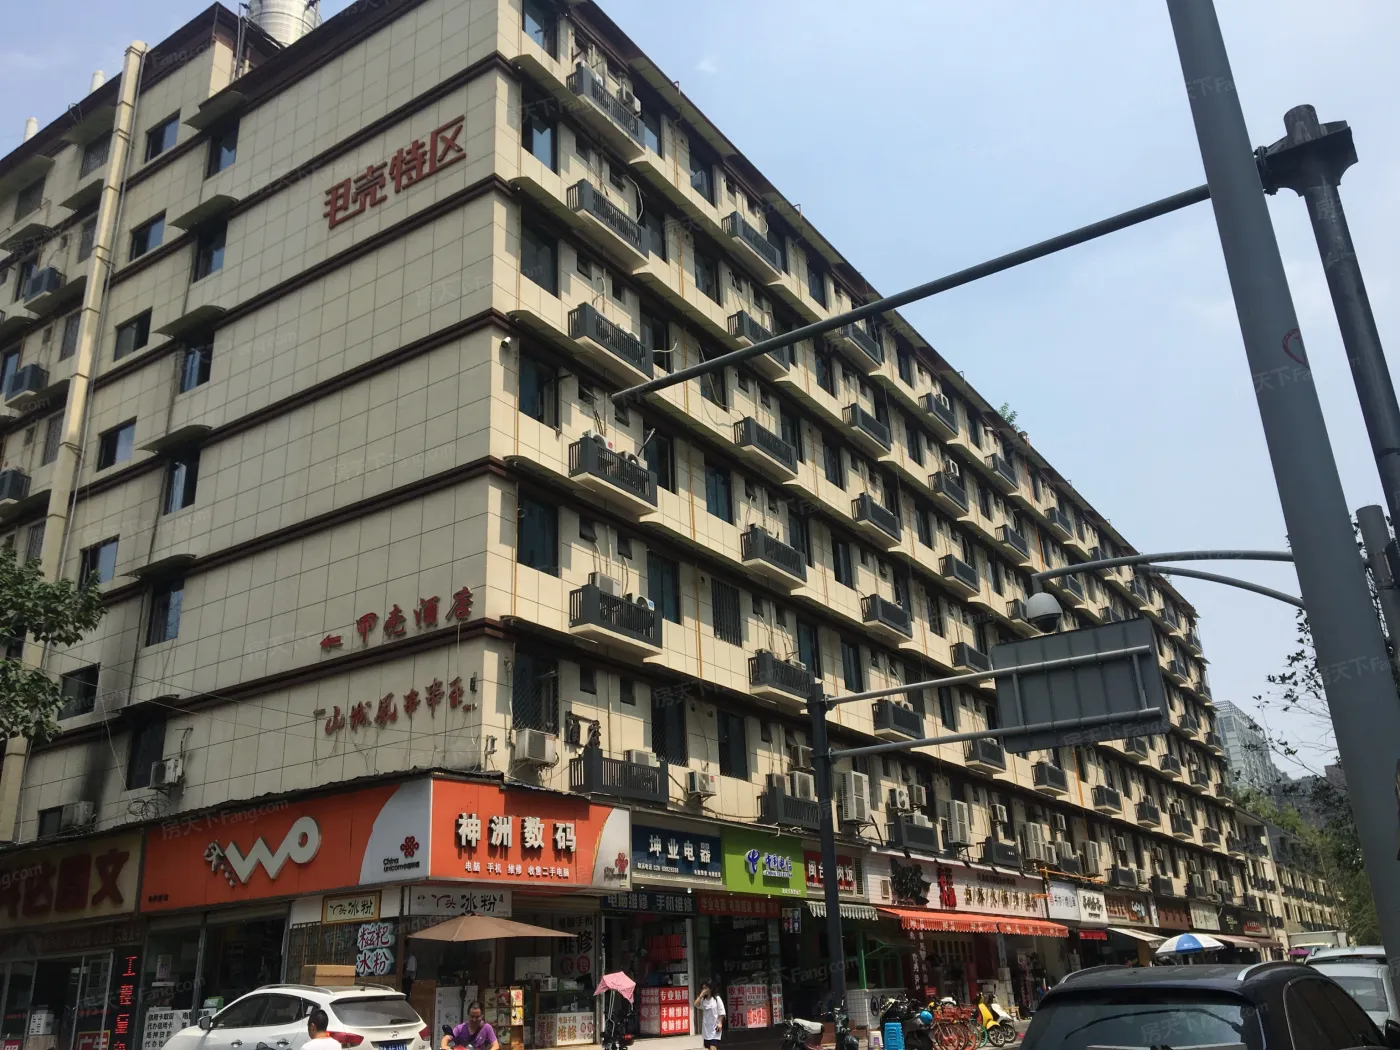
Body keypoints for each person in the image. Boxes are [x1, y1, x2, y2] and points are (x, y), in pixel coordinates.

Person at [694, 981, 726, 1050]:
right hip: (706, 1028)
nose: (704, 990)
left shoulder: (717, 999)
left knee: (713, 1047)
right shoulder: (703, 1000)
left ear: (710, 989)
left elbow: (722, 1012)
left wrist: (720, 1023)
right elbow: (696, 1004)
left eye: (706, 988)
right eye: (703, 988)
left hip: (715, 1027)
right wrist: (701, 995)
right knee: (709, 1047)